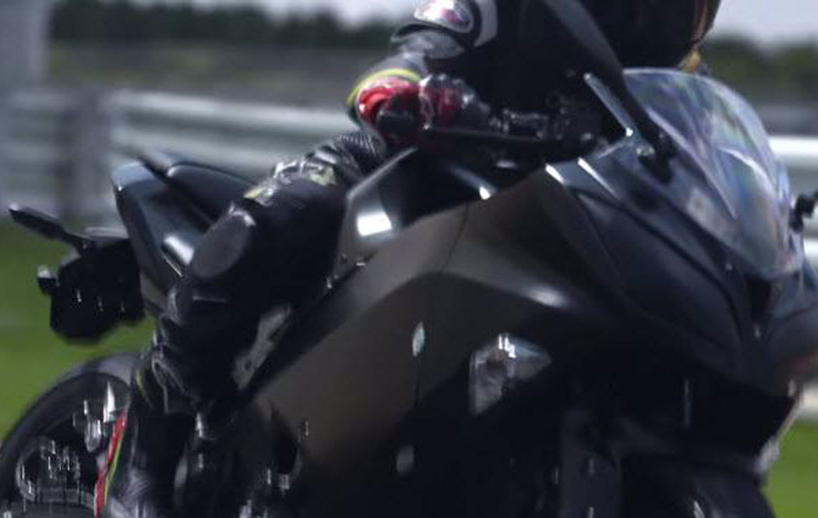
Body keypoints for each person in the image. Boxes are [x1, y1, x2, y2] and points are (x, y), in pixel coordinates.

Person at [97, 0, 722, 516]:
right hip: (421, 169)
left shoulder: (683, 84)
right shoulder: (502, 8)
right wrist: (410, 92)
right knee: (283, 214)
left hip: (556, 237)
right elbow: (412, 56)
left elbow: (704, 174)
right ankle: (147, 441)